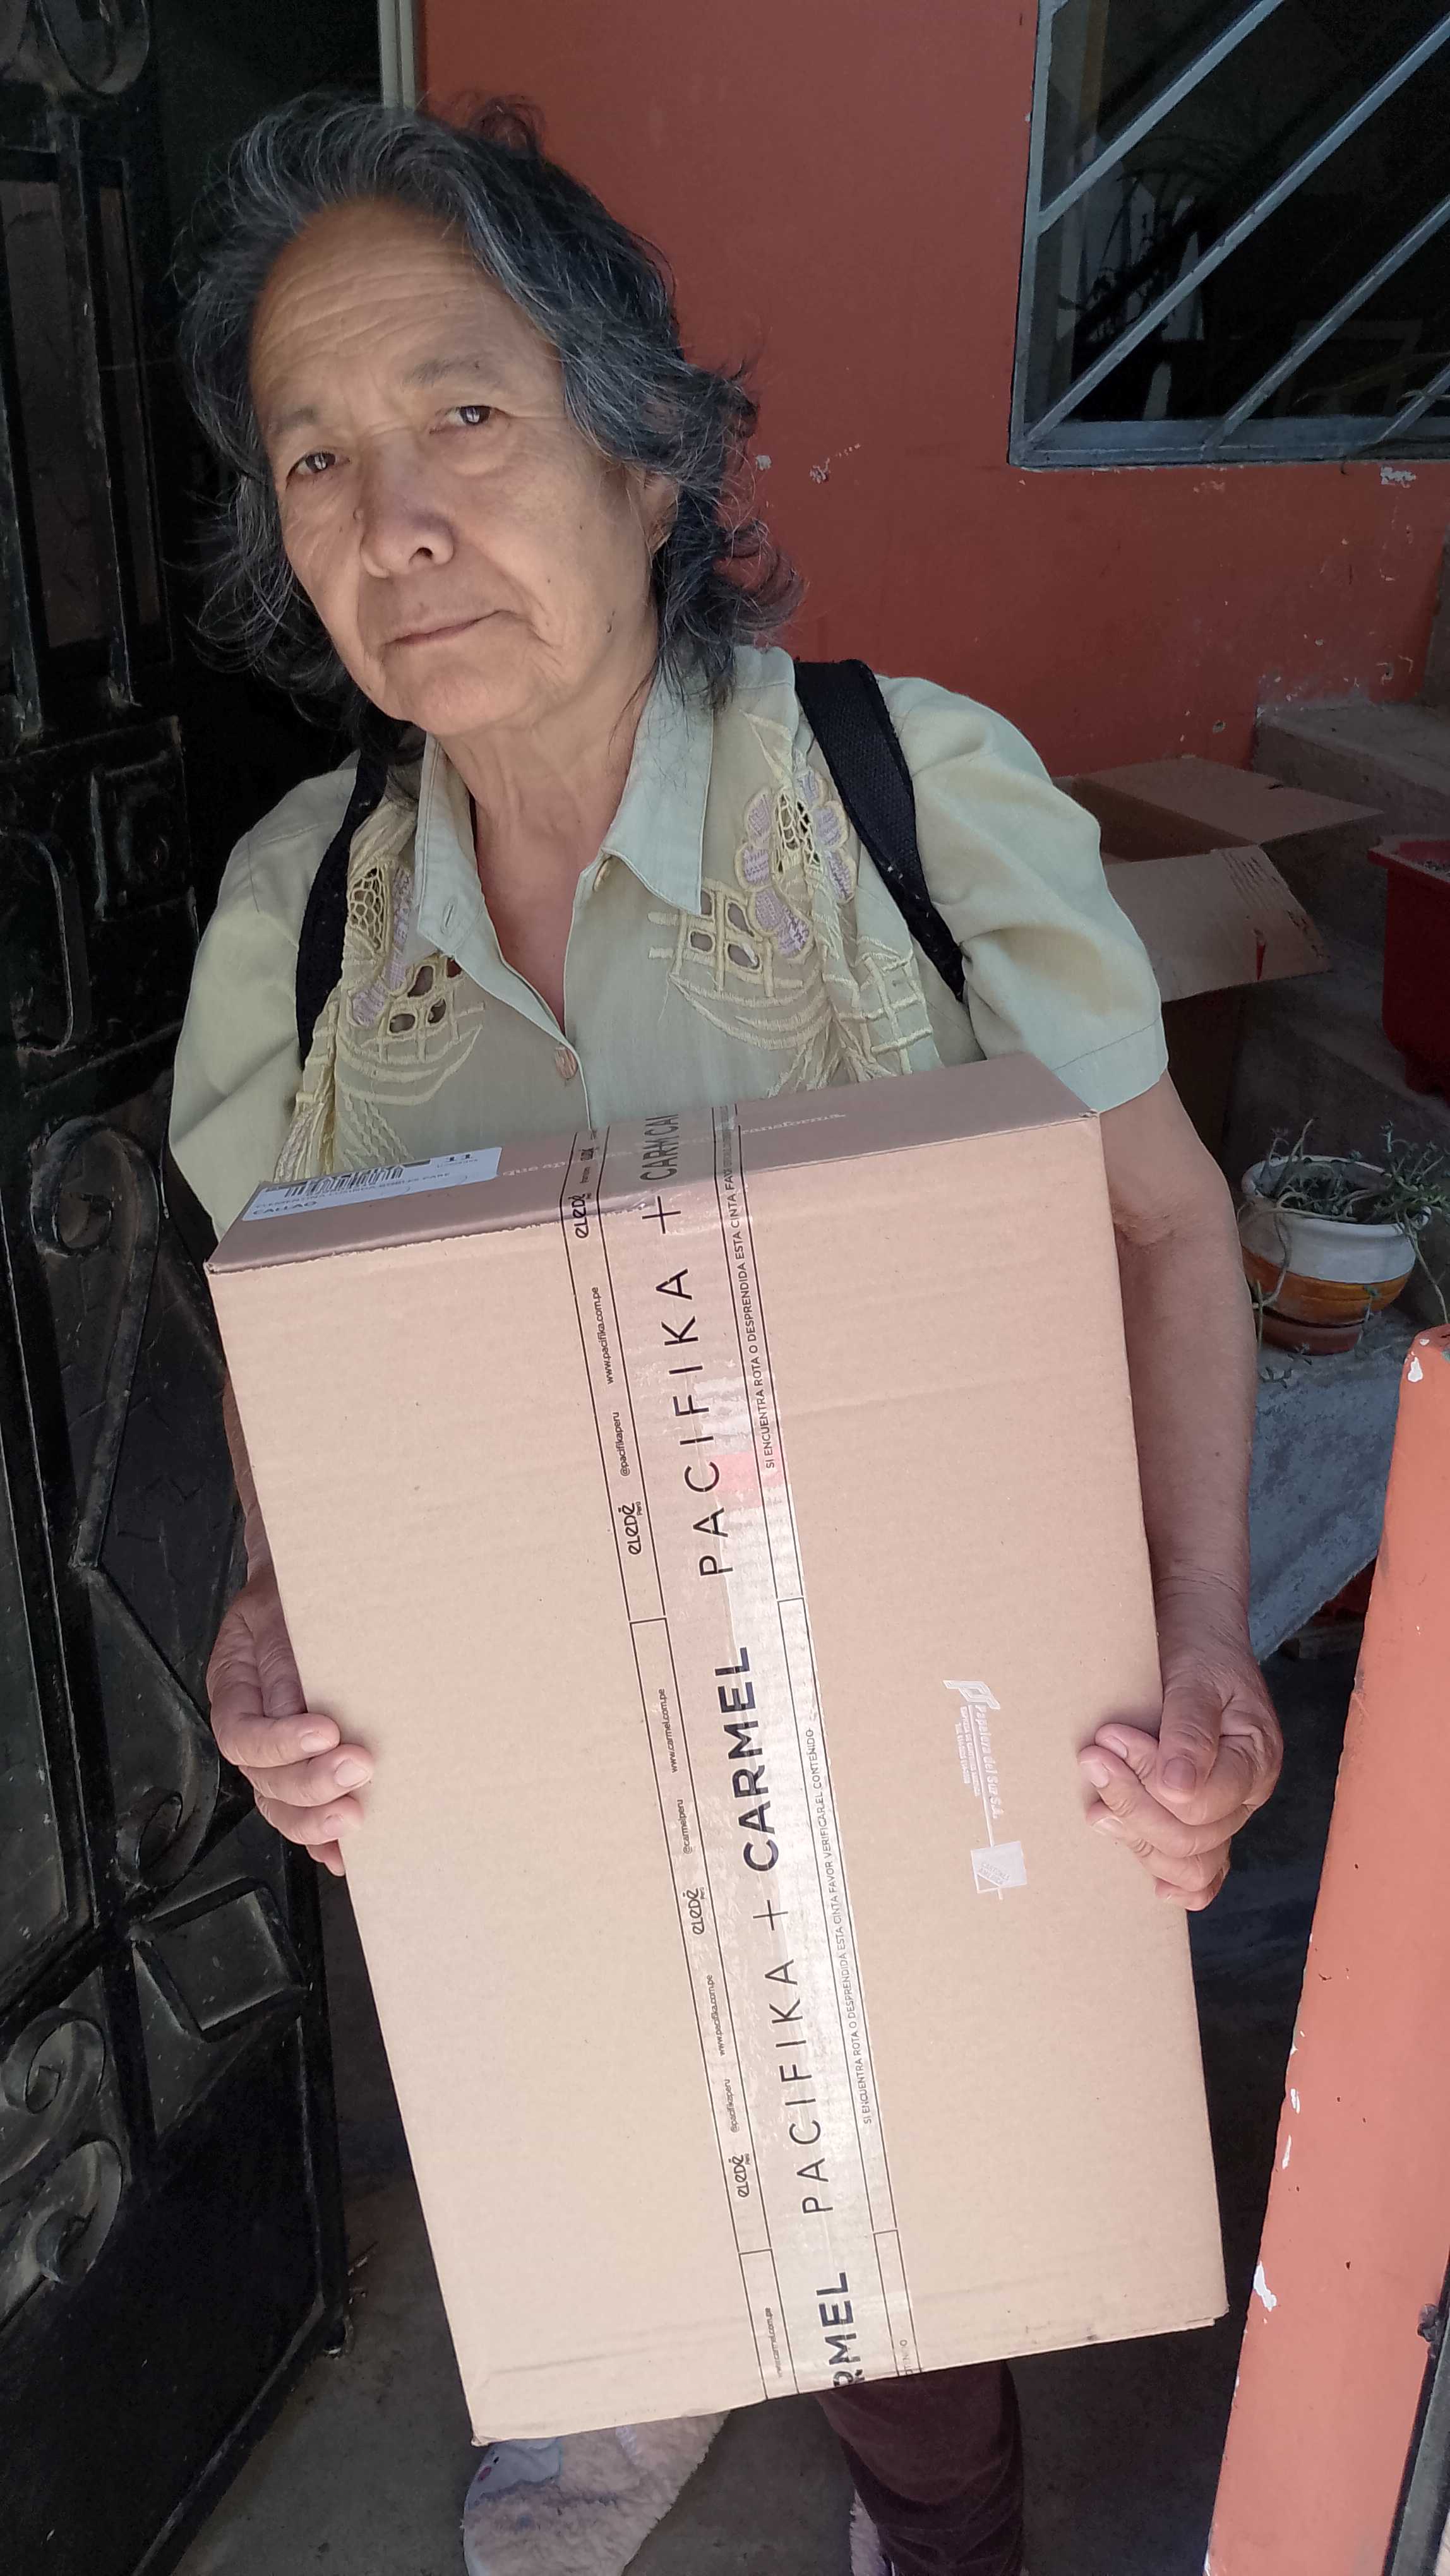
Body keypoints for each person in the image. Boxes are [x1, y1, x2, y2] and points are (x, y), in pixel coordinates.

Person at [171, 95, 1282, 2576]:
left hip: (896, 1690)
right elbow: (281, 1329)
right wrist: (267, 1590)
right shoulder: (297, 919)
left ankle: (937, 2519)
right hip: (528, 1736)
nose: (390, 518)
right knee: (581, 2108)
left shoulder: (908, 799)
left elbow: (1161, 1230)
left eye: (465, 411)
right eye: (315, 455)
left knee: (915, 2197)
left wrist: (1203, 1635)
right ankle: (622, 2403)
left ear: (647, 458)